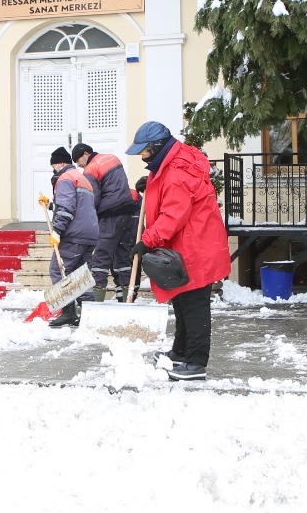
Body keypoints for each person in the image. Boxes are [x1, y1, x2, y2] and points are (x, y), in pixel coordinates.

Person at [128, 120, 230, 380]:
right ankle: (181, 352)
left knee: (194, 305)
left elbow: (173, 214)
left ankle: (195, 362)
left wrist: (147, 241)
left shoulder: (177, 170)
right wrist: (151, 184)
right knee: (182, 300)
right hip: (190, 243)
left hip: (195, 246)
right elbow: (171, 190)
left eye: (145, 152)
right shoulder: (174, 162)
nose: (143, 157)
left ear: (157, 147)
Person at [71, 142, 140, 301]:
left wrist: (85, 218)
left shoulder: (91, 169)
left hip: (110, 215)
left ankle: (97, 298)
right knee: (122, 257)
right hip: (128, 214)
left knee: (101, 256)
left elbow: (93, 198)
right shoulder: (112, 158)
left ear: (86, 154)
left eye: (78, 160)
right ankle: (126, 298)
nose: (79, 165)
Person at [41, 146, 98, 328]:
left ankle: (68, 312)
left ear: (60, 163)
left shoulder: (65, 178)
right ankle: (89, 312)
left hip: (74, 235)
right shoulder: (82, 178)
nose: (54, 170)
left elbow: (66, 209)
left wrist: (57, 231)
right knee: (81, 275)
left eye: (54, 166)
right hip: (89, 233)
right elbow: (78, 205)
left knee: (58, 270)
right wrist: (50, 205)